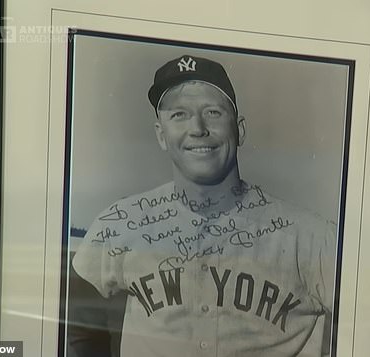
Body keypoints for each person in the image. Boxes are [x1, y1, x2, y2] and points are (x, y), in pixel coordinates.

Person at [72, 54, 337, 357]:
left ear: (240, 129)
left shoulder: (311, 237)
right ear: (161, 134)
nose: (197, 128)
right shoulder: (120, 222)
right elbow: (76, 316)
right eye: (179, 115)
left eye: (212, 112)